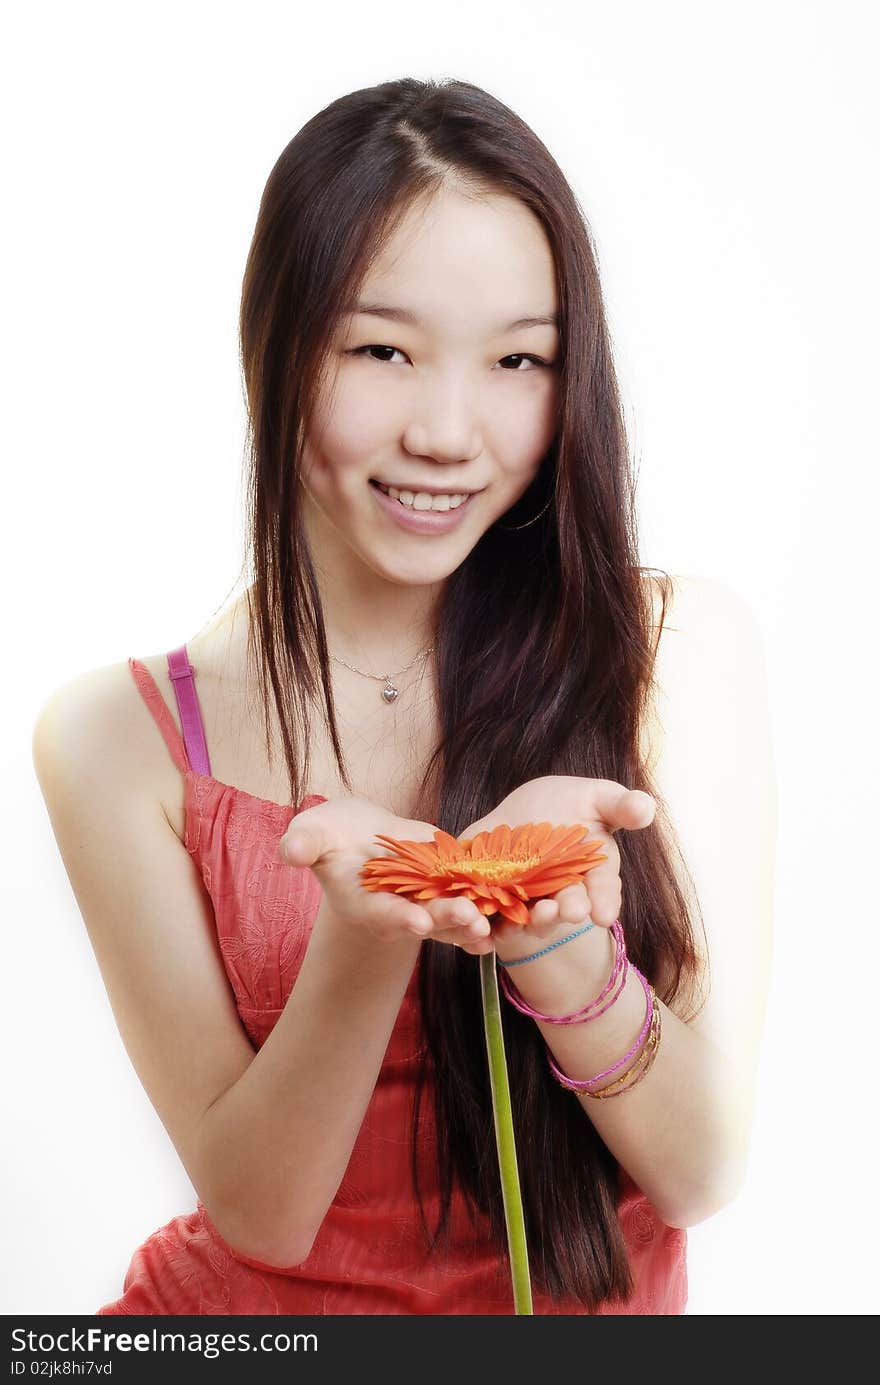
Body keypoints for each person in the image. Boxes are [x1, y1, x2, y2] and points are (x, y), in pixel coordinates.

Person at [31, 76, 775, 1316]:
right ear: (272, 347)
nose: (447, 429)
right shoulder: (117, 741)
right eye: (383, 348)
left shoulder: (672, 646)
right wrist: (372, 927)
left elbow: (697, 1170)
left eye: (518, 359)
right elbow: (260, 1211)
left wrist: (543, 926)